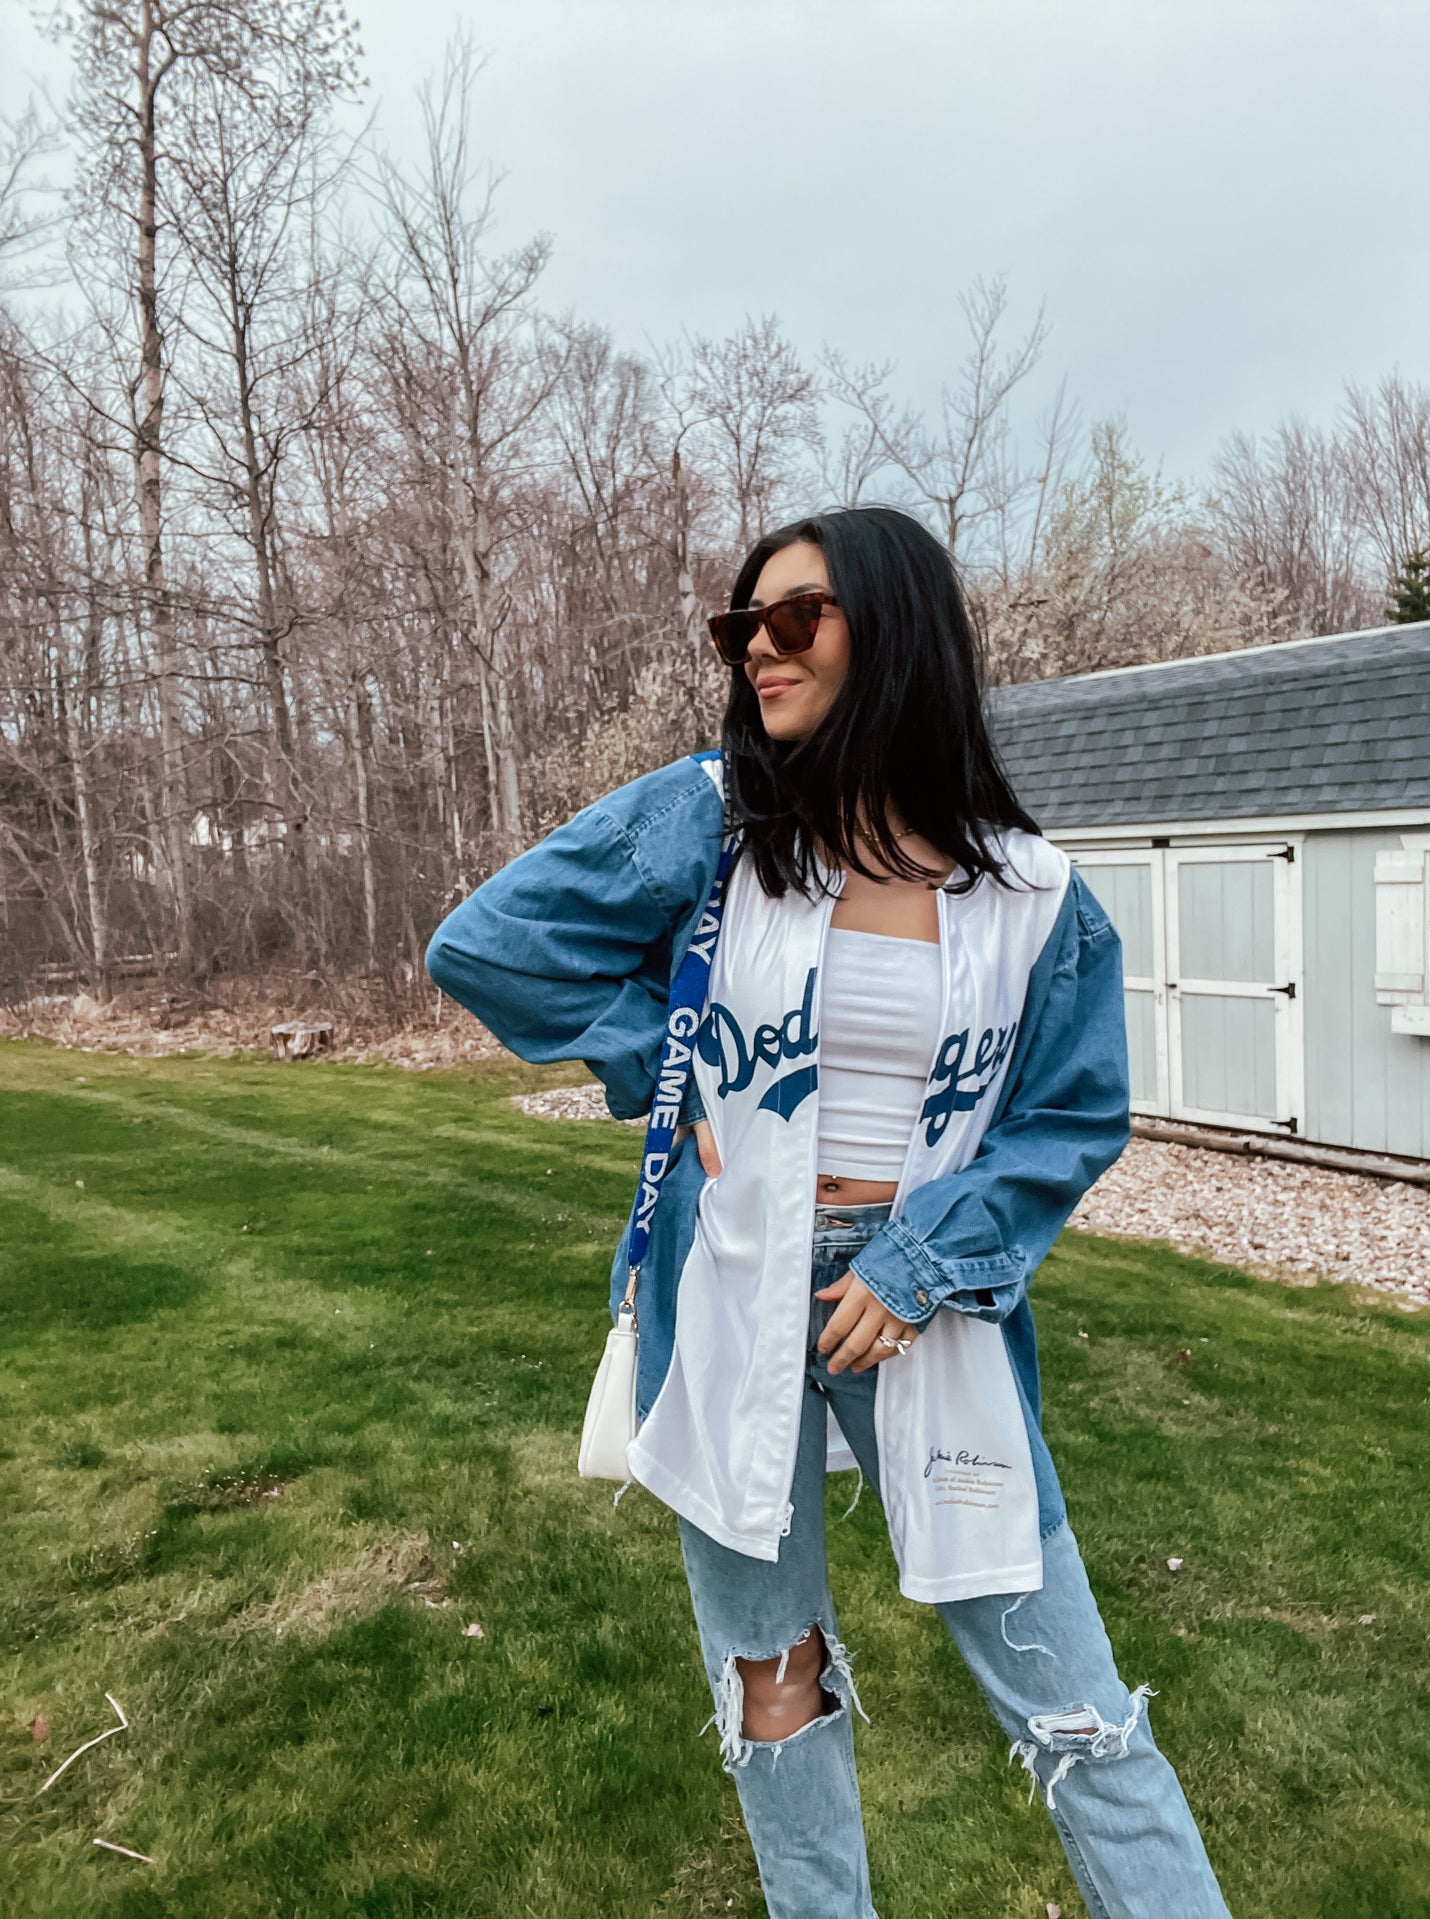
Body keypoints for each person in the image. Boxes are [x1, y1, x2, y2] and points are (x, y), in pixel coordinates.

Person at [426, 506, 1230, 1918]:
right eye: (741, 627)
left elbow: (1068, 1115)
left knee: (1075, 1700)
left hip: (921, 1307)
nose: (757, 653)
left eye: (795, 619)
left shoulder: (1034, 897)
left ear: (895, 628)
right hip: (730, 1288)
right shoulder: (710, 822)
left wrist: (924, 1262)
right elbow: (487, 945)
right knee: (773, 1685)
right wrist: (653, 1063)